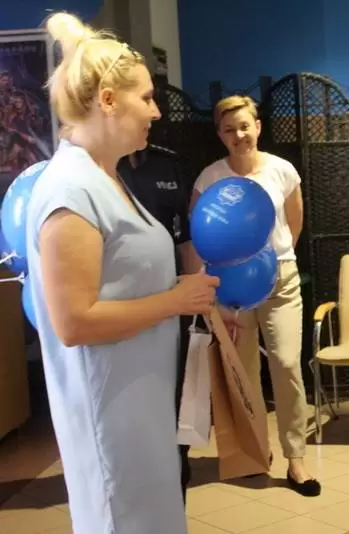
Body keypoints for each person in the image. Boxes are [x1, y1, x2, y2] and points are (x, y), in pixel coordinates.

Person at [24, 12, 219, 534]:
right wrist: (175, 300)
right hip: (111, 413)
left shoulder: (105, 179)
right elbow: (74, 323)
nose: (156, 111)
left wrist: (175, 290)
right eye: (147, 98)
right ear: (108, 100)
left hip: (140, 401)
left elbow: (122, 282)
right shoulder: (71, 190)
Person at [188, 95, 319, 496]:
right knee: (243, 372)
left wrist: (272, 262)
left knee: (286, 363)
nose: (239, 135)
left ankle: (296, 458)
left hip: (280, 278)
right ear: (220, 135)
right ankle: (255, 450)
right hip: (230, 286)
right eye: (229, 129)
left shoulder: (282, 170)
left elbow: (294, 224)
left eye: (245, 126)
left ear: (258, 126)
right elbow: (199, 234)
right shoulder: (209, 178)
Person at [117, 143, 194, 502]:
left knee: (176, 413)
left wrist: (203, 303)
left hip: (174, 309)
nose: (155, 116)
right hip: (125, 318)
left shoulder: (168, 164)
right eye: (146, 109)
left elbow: (185, 239)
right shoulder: (97, 172)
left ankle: (175, 496)